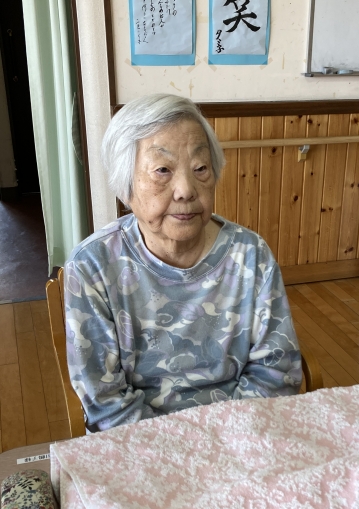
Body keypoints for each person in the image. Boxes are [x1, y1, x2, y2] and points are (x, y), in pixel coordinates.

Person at [64, 94, 302, 432]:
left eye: (200, 168)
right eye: (162, 170)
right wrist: (179, 450)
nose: (185, 190)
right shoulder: (93, 266)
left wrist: (225, 441)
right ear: (125, 184)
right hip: (140, 442)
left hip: (240, 434)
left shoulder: (251, 254)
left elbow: (275, 374)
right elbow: (105, 401)